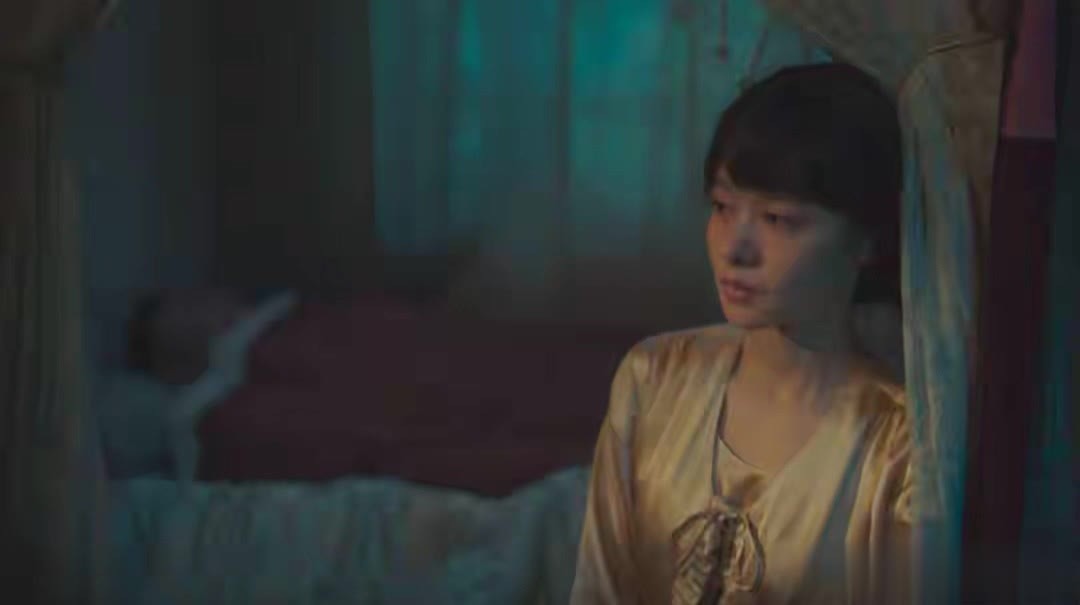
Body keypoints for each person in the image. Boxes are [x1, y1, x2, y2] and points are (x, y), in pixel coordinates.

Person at [570, 63, 912, 604]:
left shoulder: (897, 444)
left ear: (866, 240)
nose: (735, 249)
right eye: (723, 207)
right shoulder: (654, 376)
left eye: (777, 219)